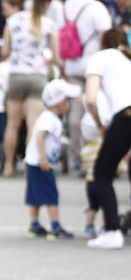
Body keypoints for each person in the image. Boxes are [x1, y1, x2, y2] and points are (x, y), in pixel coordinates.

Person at [0, 0, 59, 177]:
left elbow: (4, 51)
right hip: (37, 75)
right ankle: (29, 166)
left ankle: (9, 165)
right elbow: (55, 56)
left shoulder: (14, 21)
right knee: (33, 123)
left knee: (12, 124)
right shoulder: (48, 23)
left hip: (17, 74)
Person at [62, 0, 112, 173]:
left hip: (71, 62)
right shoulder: (96, 7)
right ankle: (95, 153)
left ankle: (78, 155)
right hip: (93, 65)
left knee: (75, 111)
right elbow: (105, 38)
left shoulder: (66, 5)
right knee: (96, 107)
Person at [84, 29, 131, 249]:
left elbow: (91, 98)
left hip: (125, 116)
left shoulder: (100, 58)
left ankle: (111, 230)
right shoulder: (127, 58)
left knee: (103, 172)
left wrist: (101, 124)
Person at [24, 79, 80, 239]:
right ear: (59, 102)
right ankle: (55, 225)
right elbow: (40, 137)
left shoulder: (49, 117)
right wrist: (44, 158)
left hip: (33, 161)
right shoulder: (49, 118)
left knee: (34, 194)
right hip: (41, 163)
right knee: (51, 194)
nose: (69, 104)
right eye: (67, 100)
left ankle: (34, 224)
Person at [79, 91, 110, 238]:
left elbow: (85, 166)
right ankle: (105, 227)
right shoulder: (105, 148)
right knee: (105, 206)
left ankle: (89, 226)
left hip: (89, 183)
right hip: (101, 181)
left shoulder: (85, 150)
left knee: (93, 207)